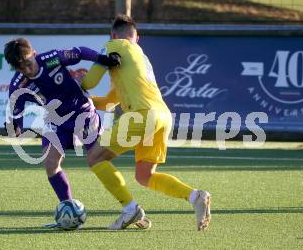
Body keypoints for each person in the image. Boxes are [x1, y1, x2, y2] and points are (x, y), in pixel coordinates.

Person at [82, 14, 211, 231]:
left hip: (142, 115)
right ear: (137, 37)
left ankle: (130, 209)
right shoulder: (139, 57)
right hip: (163, 116)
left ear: (113, 35)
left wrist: (75, 86)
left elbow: (90, 81)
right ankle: (195, 196)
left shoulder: (114, 45)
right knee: (144, 175)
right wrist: (86, 101)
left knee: (95, 157)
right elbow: (110, 102)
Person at [3, 38, 120, 207]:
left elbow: (80, 52)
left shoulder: (51, 59)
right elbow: (16, 114)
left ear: (34, 54)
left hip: (82, 111)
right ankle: (68, 207)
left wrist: (103, 59)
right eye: (21, 67)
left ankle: (127, 205)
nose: (27, 69)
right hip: (56, 120)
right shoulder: (17, 85)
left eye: (28, 62)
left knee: (99, 160)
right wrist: (16, 127)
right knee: (50, 164)